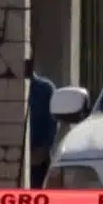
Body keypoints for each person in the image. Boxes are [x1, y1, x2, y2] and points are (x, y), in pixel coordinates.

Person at [26, 58, 60, 187]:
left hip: (39, 158)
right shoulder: (9, 88)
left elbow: (53, 122)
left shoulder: (45, 88)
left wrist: (43, 150)